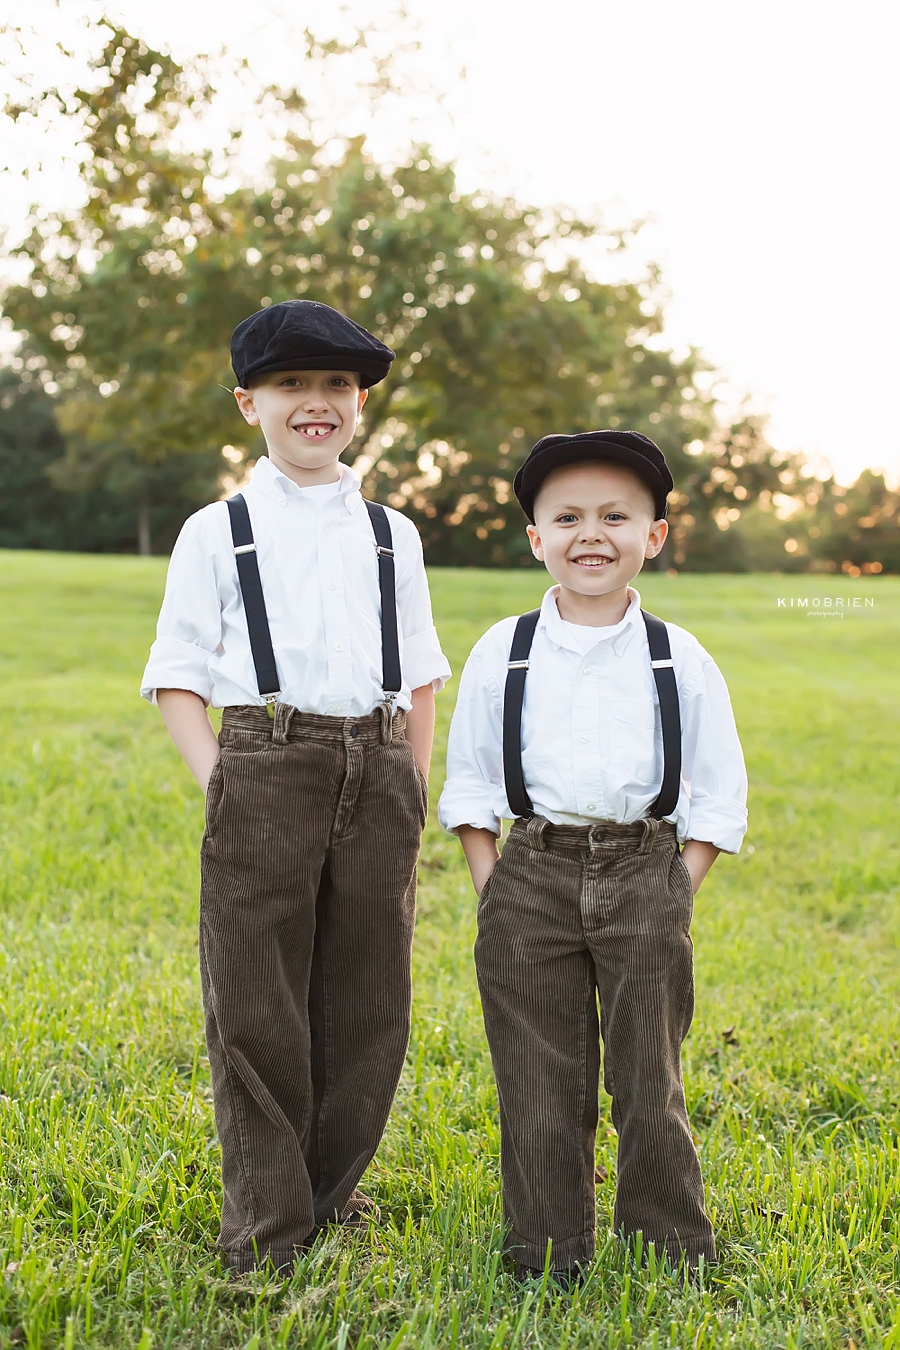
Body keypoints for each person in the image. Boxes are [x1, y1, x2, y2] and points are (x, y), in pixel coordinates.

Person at [141, 298, 451, 1274]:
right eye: (291, 386)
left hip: (381, 763)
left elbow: (423, 670)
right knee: (257, 1000)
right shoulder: (216, 530)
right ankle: (267, 1231)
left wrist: (413, 786)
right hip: (264, 762)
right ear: (249, 404)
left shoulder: (393, 534)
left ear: (359, 403)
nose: (315, 403)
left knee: (369, 1002)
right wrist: (223, 783)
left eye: (336, 386)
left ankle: (326, 1193)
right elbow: (177, 677)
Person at [438, 430, 747, 1282]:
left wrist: (676, 888)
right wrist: (491, 881)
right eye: (567, 516)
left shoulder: (678, 657)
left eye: (616, 516)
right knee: (538, 1082)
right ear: (536, 538)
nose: (591, 534)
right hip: (529, 875)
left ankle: (667, 1247)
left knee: (650, 1079)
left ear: (654, 535)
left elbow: (720, 794)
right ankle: (546, 1252)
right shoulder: (504, 648)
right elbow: (468, 781)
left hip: (645, 872)